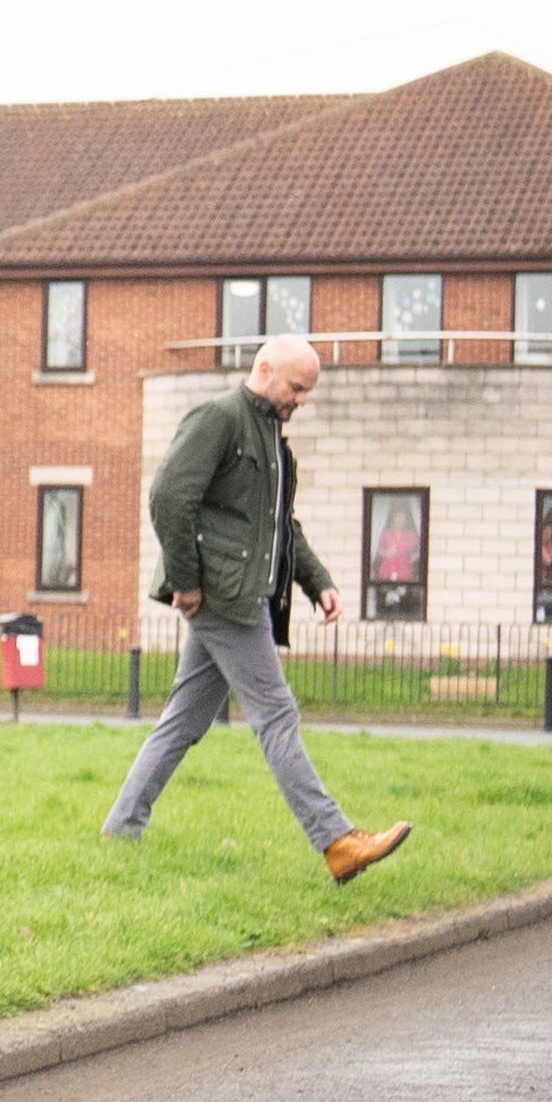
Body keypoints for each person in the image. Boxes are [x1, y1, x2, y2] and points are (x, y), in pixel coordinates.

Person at [105, 335, 416, 878]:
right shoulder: (220, 419)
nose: (301, 400)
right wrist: (187, 580)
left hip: (241, 593)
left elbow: (279, 527)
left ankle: (121, 827)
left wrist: (316, 581)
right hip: (226, 597)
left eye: (307, 391)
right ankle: (337, 841)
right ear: (266, 370)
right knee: (276, 714)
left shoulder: (273, 438)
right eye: (296, 387)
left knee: (182, 721)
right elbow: (169, 497)